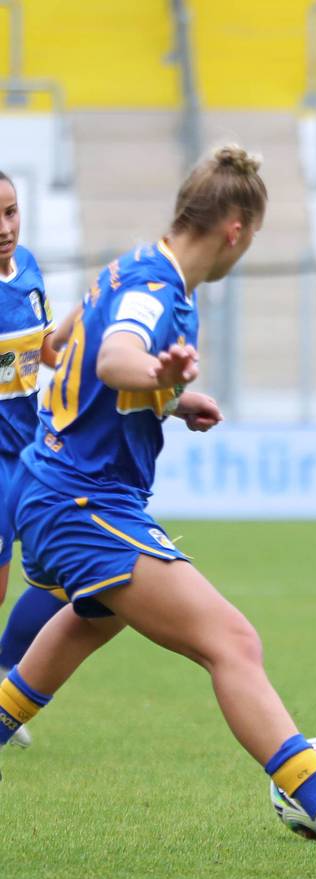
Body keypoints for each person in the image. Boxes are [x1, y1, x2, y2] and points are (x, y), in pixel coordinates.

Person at [0, 145, 316, 866]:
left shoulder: (135, 267)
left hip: (62, 487)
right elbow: (111, 356)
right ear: (235, 229)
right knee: (231, 641)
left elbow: (65, 341)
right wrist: (150, 370)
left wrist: (168, 398)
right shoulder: (155, 290)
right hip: (79, 501)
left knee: (91, 619)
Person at [0, 171, 77, 749]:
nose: (6, 229)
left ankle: (5, 678)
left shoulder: (26, 266)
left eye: (12, 212)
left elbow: (46, 352)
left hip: (34, 452)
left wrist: (81, 320)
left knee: (63, 574)